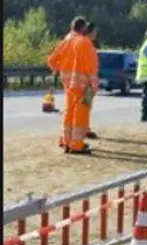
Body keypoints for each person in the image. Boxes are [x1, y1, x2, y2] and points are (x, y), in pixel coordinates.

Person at [47, 16, 98, 155]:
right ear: (83, 28)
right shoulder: (85, 42)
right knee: (81, 114)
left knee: (69, 112)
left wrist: (61, 69)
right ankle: (76, 145)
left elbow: (51, 61)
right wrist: (94, 85)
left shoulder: (65, 42)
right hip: (84, 85)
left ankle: (65, 140)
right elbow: (91, 67)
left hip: (68, 83)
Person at [84, 21, 99, 139]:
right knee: (84, 106)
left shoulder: (89, 43)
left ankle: (86, 128)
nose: (96, 34)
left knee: (87, 106)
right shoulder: (86, 44)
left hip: (88, 82)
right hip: (86, 82)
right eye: (95, 31)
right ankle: (84, 129)